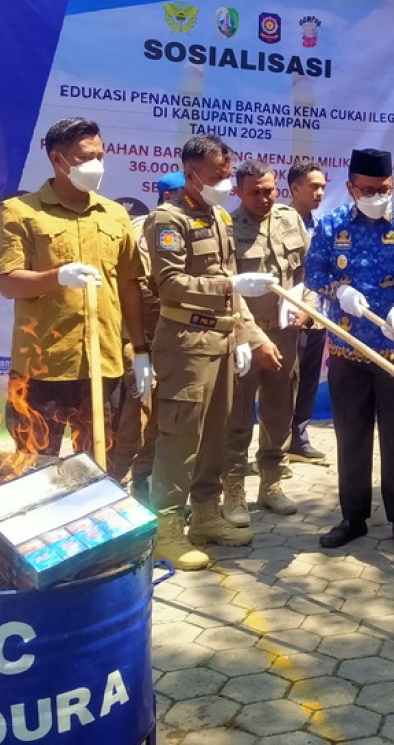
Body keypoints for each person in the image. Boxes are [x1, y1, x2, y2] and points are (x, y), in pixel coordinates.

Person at [145, 136, 277, 569]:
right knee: (180, 437)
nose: (225, 182)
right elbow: (170, 284)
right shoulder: (168, 219)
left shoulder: (217, 216)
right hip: (185, 345)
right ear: (191, 172)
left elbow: (230, 285)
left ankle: (205, 516)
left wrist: (242, 336)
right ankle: (166, 531)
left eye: (227, 173)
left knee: (215, 436)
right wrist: (228, 287)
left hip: (220, 342)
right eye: (218, 175)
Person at [0, 117, 151, 458]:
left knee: (95, 463)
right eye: (84, 158)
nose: (95, 165)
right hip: (43, 365)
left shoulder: (114, 215)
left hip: (102, 363)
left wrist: (139, 351)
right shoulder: (20, 212)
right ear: (57, 159)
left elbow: (128, 284)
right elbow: (8, 283)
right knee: (35, 466)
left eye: (100, 156)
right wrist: (57, 277)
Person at [305, 148, 394, 554]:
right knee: (352, 436)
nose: (377, 196)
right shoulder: (332, 224)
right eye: (369, 190)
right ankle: (353, 517)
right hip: (348, 349)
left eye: (384, 189)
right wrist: (337, 290)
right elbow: (314, 271)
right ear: (351, 188)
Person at [222, 159, 313, 526]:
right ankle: (233, 491)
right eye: (255, 192)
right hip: (244, 337)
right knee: (238, 415)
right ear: (239, 192)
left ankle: (271, 484)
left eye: (270, 190)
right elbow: (229, 292)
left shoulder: (290, 218)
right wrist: (255, 340)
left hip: (286, 334)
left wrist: (307, 307)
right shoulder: (228, 228)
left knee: (279, 411)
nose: (264, 198)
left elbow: (308, 271)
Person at [107, 171, 184, 499]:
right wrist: (140, 347)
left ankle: (142, 481)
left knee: (160, 418)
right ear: (169, 197)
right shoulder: (145, 229)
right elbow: (140, 289)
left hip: (170, 342)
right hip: (136, 341)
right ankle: (112, 483)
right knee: (136, 416)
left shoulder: (187, 227)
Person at [287, 161, 329, 464]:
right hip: (285, 317)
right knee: (284, 382)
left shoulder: (323, 226)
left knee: (309, 380)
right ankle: (274, 446)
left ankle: (298, 439)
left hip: (316, 317)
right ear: (294, 188)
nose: (320, 192)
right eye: (313, 186)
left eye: (323, 187)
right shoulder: (277, 223)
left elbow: (322, 273)